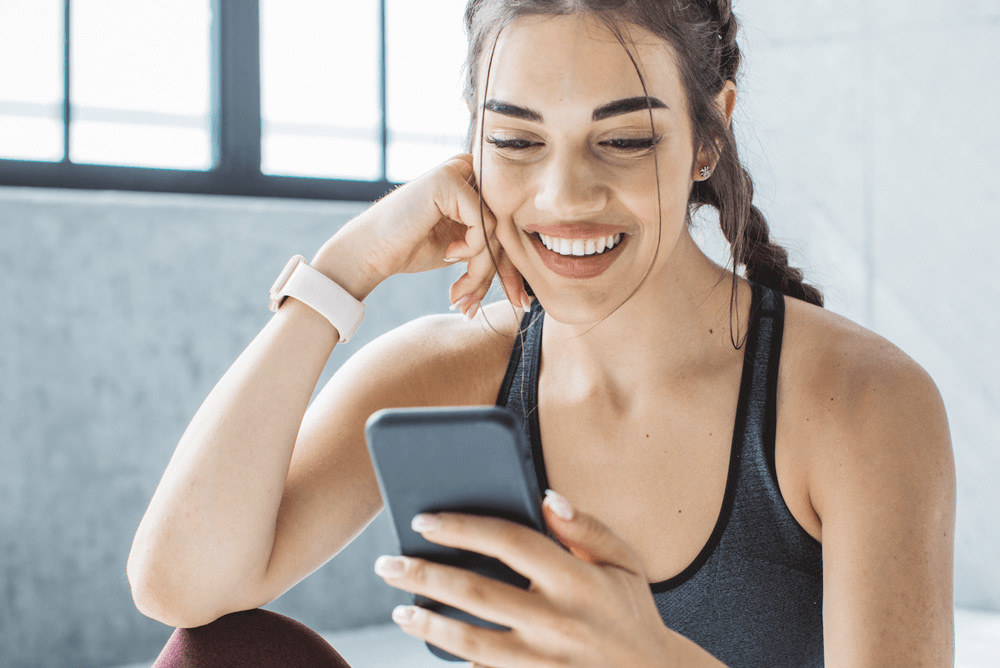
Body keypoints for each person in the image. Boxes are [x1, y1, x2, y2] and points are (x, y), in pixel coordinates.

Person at [127, 1, 957, 666]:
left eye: (625, 140)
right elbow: (178, 589)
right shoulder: (446, 370)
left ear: (710, 135)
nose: (564, 196)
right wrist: (342, 274)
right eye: (516, 141)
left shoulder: (859, 401)